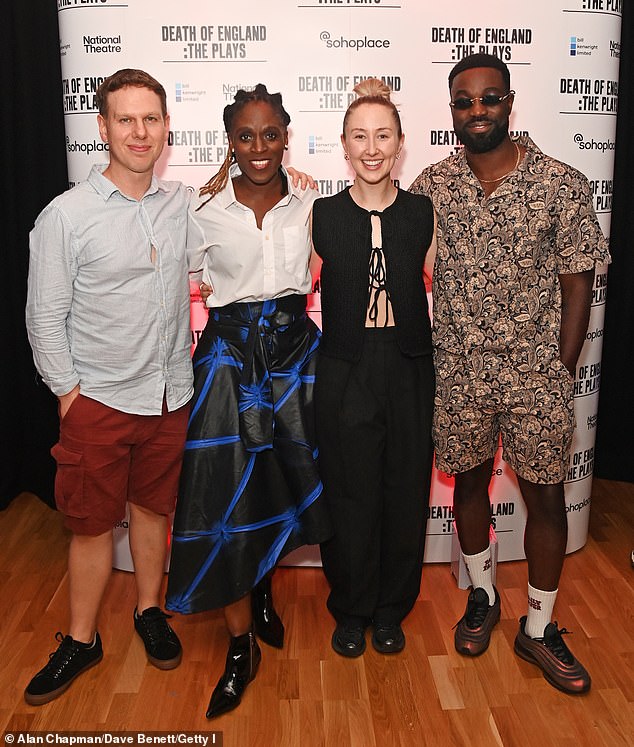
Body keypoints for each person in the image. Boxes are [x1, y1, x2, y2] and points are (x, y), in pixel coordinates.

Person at [409, 53, 610, 694]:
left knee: (545, 497)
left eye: (489, 99)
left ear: (509, 102)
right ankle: (483, 595)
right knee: (467, 485)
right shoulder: (432, 186)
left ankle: (541, 628)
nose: (477, 112)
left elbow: (579, 284)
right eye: (464, 102)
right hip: (460, 370)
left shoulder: (562, 183)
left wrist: (561, 369)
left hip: (536, 376)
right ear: (452, 111)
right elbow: (376, 224)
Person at [24, 69, 192, 705]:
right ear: (103, 129)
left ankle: (149, 611)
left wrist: (300, 189)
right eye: (126, 120)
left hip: (169, 396)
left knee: (154, 513)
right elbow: (43, 315)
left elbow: (228, 248)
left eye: (150, 119)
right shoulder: (66, 216)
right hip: (97, 401)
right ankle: (81, 639)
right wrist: (69, 393)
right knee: (91, 527)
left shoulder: (181, 206)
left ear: (165, 128)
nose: (139, 132)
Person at [165, 84, 332, 719]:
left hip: (294, 360)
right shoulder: (200, 210)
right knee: (223, 494)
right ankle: (241, 647)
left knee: (281, 483)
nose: (258, 147)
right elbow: (173, 281)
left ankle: (262, 592)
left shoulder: (314, 203)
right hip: (229, 362)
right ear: (228, 141)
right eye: (245, 136)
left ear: (286, 136)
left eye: (269, 134)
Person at [312, 79, 435, 658]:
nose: (371, 147)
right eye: (359, 135)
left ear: (401, 143)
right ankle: (352, 607)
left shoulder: (421, 213)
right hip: (345, 369)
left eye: (382, 135)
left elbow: (450, 290)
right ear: (343, 144)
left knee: (404, 490)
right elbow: (285, 286)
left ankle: (390, 609)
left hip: (409, 367)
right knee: (349, 491)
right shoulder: (321, 214)